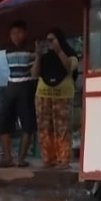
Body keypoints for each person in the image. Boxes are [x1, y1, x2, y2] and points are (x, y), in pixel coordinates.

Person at [32, 28, 79, 168]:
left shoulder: (70, 54)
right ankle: (48, 158)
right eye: (48, 40)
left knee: (62, 128)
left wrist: (59, 51)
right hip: (43, 95)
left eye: (52, 40)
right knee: (44, 129)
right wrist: (38, 56)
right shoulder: (45, 56)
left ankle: (63, 159)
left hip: (63, 96)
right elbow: (34, 74)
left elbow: (69, 67)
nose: (50, 43)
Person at [0, 20, 36, 168]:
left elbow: (34, 72)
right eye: (13, 33)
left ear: (25, 33)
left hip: (26, 87)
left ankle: (21, 159)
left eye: (19, 33)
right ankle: (8, 158)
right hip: (11, 87)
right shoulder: (7, 51)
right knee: (3, 124)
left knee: (27, 126)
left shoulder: (32, 49)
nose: (16, 36)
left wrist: (38, 56)